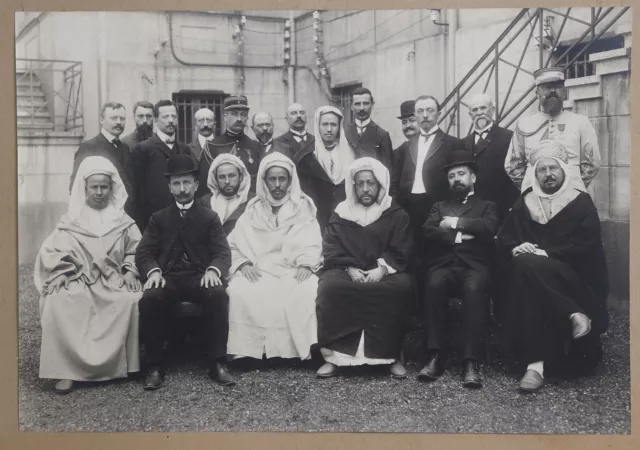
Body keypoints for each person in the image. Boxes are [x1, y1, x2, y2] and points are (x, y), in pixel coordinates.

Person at [496, 140, 609, 392]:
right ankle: (573, 316)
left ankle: (534, 367)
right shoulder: (525, 202)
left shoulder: (580, 203)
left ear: (563, 170)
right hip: (531, 279)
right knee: (524, 267)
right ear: (535, 174)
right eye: (542, 170)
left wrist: (545, 253)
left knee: (526, 267)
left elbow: (587, 248)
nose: (548, 174)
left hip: (572, 279)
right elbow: (505, 237)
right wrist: (515, 247)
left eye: (553, 168)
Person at [34, 156, 143, 395]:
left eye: (104, 187)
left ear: (111, 188)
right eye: (94, 187)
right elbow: (54, 251)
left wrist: (129, 270)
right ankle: (66, 372)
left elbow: (138, 250)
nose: (100, 192)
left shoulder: (122, 221)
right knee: (57, 300)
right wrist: (61, 273)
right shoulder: (72, 220)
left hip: (112, 280)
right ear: (85, 189)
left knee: (130, 300)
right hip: (79, 279)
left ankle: (123, 367)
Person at [136, 154, 234, 390]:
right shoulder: (158, 219)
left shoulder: (209, 217)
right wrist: (153, 272)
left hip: (197, 277)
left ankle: (217, 362)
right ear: (169, 187)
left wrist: (213, 270)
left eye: (187, 183)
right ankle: (154, 365)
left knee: (217, 295)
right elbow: (144, 253)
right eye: (177, 184)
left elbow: (223, 252)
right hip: (167, 277)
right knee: (150, 298)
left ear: (196, 185)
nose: (182, 189)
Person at [316, 157, 414, 379]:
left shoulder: (396, 214)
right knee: (330, 289)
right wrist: (349, 267)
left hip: (385, 271)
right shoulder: (341, 213)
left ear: (380, 185)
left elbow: (403, 248)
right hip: (345, 269)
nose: (365, 189)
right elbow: (331, 247)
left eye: (371, 183)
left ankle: (390, 357)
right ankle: (334, 359)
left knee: (397, 290)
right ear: (353, 186)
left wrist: (382, 269)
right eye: (360, 184)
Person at [225, 152, 322, 362]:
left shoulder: (303, 206)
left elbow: (312, 240)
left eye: (282, 179)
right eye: (272, 179)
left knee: (307, 289)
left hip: (293, 268)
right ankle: (249, 352)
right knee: (240, 289)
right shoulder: (253, 209)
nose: (277, 185)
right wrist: (243, 264)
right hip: (260, 268)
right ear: (264, 181)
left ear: (290, 181)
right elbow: (233, 243)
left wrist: (306, 264)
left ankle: (298, 352)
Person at [420, 149, 498, 388]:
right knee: (433, 284)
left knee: (474, 288)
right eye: (452, 176)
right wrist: (460, 238)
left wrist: (454, 223)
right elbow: (428, 230)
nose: (456, 179)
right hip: (444, 264)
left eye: (461, 174)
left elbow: (488, 227)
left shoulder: (487, 205)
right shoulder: (439, 206)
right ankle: (435, 356)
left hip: (474, 266)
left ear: (473, 178)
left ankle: (471, 361)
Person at [505, 67, 601, 193]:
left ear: (565, 92)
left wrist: (573, 186)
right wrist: (531, 187)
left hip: (571, 196)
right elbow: (513, 164)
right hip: (534, 197)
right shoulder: (524, 124)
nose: (552, 91)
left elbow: (592, 163)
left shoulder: (581, 122)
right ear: (537, 93)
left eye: (557, 87)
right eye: (546, 87)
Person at [393, 95, 462, 249]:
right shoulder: (405, 147)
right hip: (409, 206)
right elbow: (396, 180)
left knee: (435, 249)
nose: (425, 115)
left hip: (437, 205)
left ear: (438, 114)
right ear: (415, 115)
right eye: (420, 111)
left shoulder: (453, 143)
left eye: (430, 110)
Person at [127, 100, 193, 232]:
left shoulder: (184, 149)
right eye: (165, 117)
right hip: (152, 224)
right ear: (156, 120)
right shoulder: (142, 149)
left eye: (173, 117)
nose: (170, 121)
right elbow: (134, 192)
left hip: (181, 222)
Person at [295, 105, 357, 231]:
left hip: (346, 220)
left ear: (339, 127)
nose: (329, 129)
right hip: (316, 221)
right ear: (318, 125)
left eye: (333, 125)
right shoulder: (305, 158)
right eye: (325, 124)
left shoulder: (352, 153)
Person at [462, 93, 519, 223]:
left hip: (502, 209)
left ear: (492, 110)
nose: (479, 113)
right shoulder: (463, 143)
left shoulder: (509, 137)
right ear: (470, 115)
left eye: (483, 108)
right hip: (473, 212)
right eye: (475, 110)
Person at [197, 95, 262, 196]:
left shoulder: (256, 146)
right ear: (225, 117)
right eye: (234, 114)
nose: (239, 119)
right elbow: (205, 185)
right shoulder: (212, 146)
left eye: (243, 114)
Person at [69, 102, 133, 197]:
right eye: (114, 118)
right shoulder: (88, 147)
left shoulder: (125, 148)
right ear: (101, 120)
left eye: (122, 118)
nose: (119, 122)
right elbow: (76, 186)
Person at [198, 153, 254, 235]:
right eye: (222, 177)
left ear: (240, 177)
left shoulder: (252, 202)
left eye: (231, 176)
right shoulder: (205, 203)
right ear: (215, 179)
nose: (227, 181)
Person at [344, 87, 394, 173]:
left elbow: (388, 171)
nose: (362, 108)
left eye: (366, 103)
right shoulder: (344, 133)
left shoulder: (382, 135)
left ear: (372, 104)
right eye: (357, 104)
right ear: (351, 106)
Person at [390, 100, 420, 196]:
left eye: (412, 120)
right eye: (404, 122)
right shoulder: (400, 152)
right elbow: (393, 186)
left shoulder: (434, 145)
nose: (408, 126)